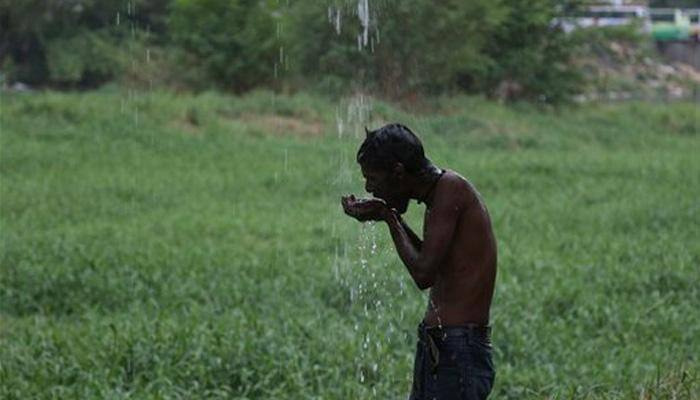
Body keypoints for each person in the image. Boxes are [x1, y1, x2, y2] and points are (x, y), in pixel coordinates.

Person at [341, 123, 497, 400]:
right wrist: (391, 216)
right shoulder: (437, 196)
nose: (369, 188)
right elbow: (432, 264)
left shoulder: (451, 189)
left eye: (373, 179)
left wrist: (388, 217)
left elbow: (424, 274)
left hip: (458, 348)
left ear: (398, 172)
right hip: (443, 345)